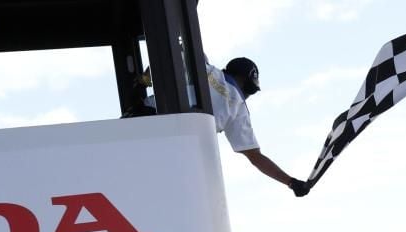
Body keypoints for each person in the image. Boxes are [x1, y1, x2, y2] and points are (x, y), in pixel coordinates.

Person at [132, 56, 310, 197]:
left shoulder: (205, 68)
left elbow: (174, 49)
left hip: (144, 117)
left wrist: (144, 80)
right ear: (245, 81)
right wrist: (291, 182)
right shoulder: (239, 108)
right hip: (169, 145)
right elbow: (256, 157)